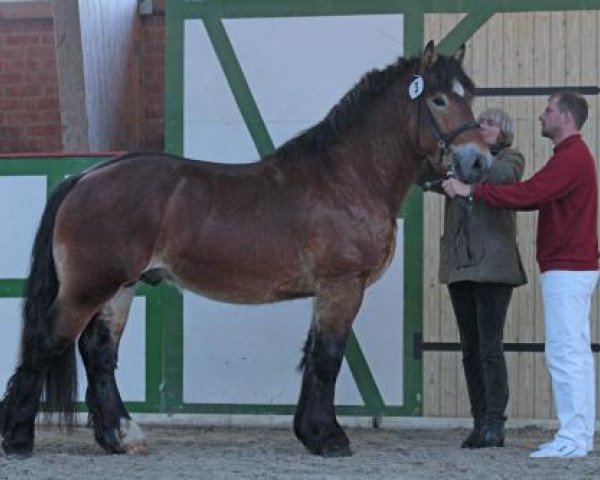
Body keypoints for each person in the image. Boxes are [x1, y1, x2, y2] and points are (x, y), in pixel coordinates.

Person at [443, 91, 599, 458]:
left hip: (568, 266)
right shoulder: (569, 156)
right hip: (566, 265)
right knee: (570, 351)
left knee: (566, 353)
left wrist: (470, 190)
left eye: (548, 110)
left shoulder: (573, 157)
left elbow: (528, 193)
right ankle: (576, 435)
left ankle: (574, 439)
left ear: (567, 118)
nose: (541, 116)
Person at [419, 108, 527, 449]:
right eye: (479, 122)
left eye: (490, 123)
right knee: (470, 348)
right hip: (460, 265)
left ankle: (495, 422)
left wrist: (462, 174)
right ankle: (480, 420)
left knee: (489, 347)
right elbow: (426, 176)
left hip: (494, 267)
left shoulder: (511, 158)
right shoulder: (459, 160)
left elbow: (500, 177)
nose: (482, 127)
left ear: (504, 131)